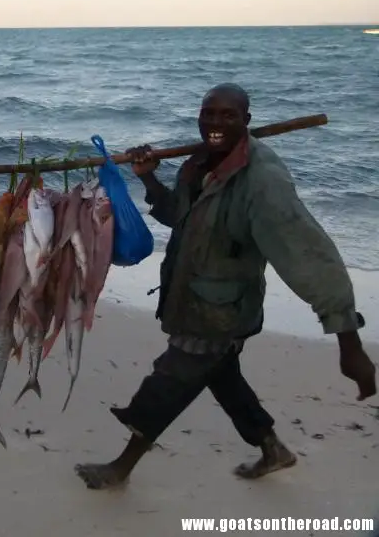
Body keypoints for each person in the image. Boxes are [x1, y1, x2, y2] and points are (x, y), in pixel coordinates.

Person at [74, 83, 376, 489]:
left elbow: (308, 256)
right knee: (223, 377)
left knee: (168, 383)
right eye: (208, 114)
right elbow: (178, 216)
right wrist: (147, 179)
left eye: (227, 115)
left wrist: (349, 342)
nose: (215, 123)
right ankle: (272, 449)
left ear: (246, 121)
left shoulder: (262, 182)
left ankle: (121, 468)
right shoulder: (199, 163)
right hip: (191, 300)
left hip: (221, 312)